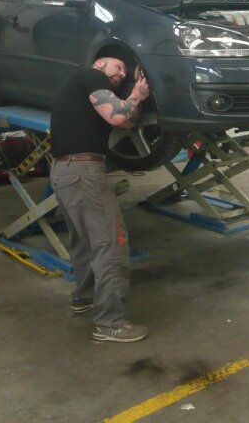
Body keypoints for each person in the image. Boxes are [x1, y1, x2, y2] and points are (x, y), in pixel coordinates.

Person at [50, 57, 151, 343]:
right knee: (111, 243)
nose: (121, 73)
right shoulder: (91, 76)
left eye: (125, 72)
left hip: (64, 171)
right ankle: (110, 323)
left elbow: (127, 121)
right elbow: (118, 116)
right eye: (117, 67)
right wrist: (138, 93)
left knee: (84, 242)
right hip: (83, 172)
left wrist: (134, 101)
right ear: (100, 63)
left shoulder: (82, 90)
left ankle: (83, 298)